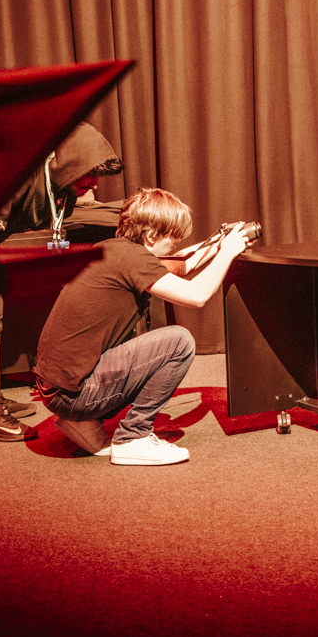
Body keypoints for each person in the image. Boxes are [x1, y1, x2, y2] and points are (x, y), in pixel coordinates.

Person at [34, 187, 253, 465]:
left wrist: (219, 245)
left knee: (156, 342)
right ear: (151, 235)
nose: (175, 245)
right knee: (179, 341)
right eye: (172, 238)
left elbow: (180, 265)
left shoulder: (112, 250)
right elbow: (197, 296)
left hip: (56, 391)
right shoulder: (134, 259)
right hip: (74, 396)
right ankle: (133, 437)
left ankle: (84, 421)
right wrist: (228, 253)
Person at [0, 123, 124, 441]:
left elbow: (59, 218)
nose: (94, 182)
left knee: (115, 216)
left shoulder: (63, 186)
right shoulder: (17, 179)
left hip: (3, 231)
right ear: (68, 164)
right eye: (89, 173)